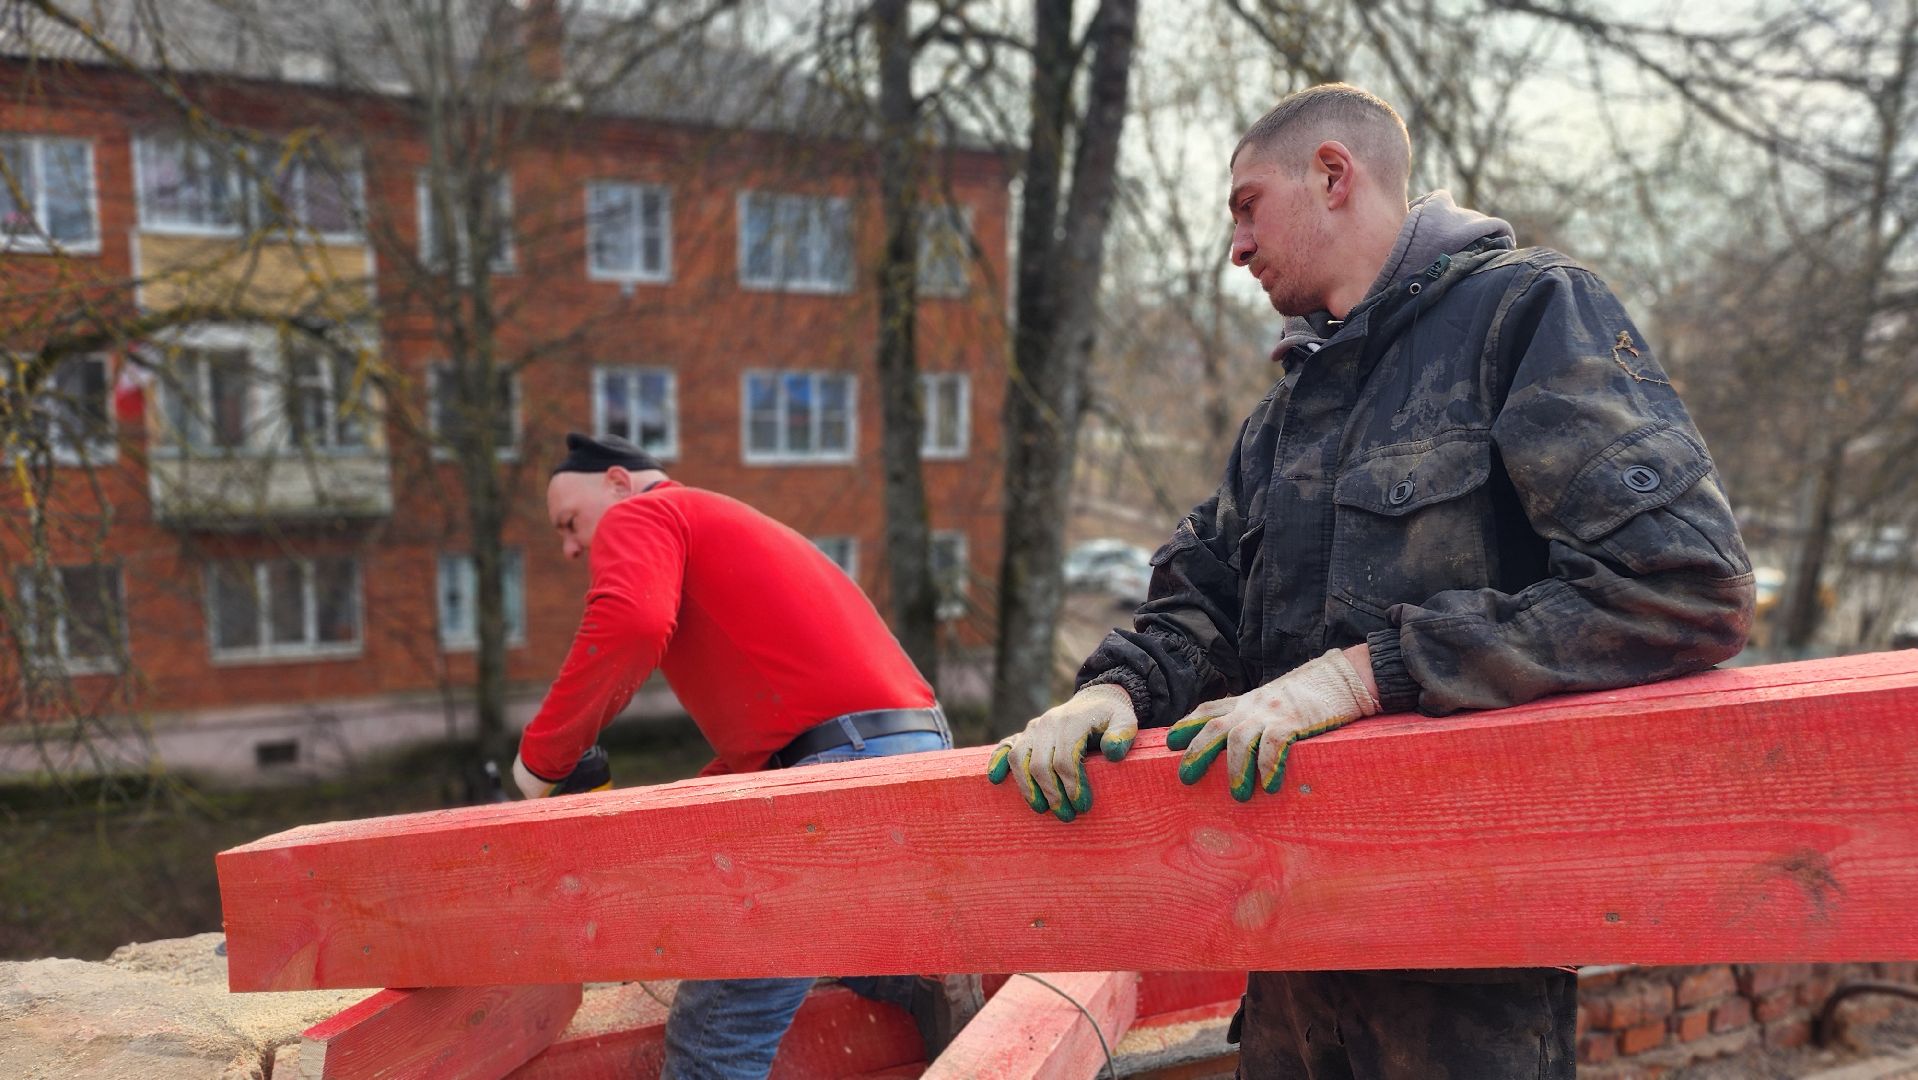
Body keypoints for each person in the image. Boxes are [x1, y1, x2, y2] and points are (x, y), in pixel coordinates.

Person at [988, 84, 1755, 1078]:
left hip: (1465, 967)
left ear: (1332, 175)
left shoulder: (1523, 314)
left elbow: (1683, 586)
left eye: (1246, 205)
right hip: (1291, 958)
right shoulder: (1284, 417)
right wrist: (1111, 689)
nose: (1235, 246)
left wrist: (1367, 674)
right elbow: (1200, 603)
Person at [516, 431, 982, 1079]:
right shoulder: (716, 521)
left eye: (569, 523)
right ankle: (918, 980)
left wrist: (539, 764)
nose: (570, 548)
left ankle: (916, 975)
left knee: (715, 1032)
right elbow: (771, 745)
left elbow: (632, 623)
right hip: (898, 750)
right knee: (822, 926)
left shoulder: (646, 513)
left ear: (618, 483)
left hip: (840, 763)